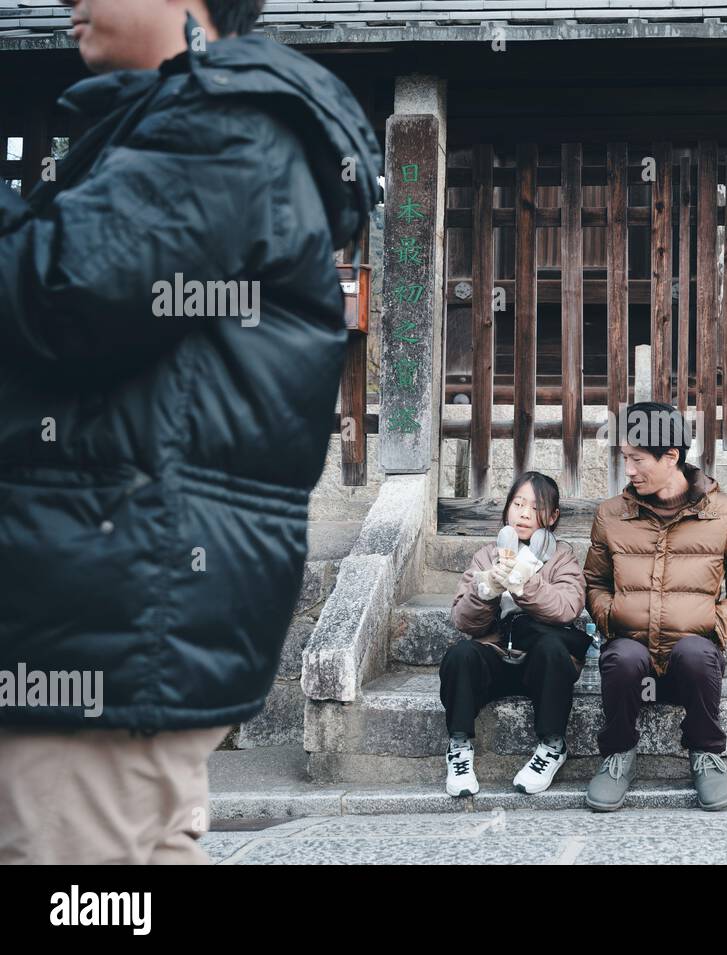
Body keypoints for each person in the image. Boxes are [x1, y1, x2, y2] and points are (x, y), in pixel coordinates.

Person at [0, 0, 381, 863]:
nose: (68, 4)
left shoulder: (220, 123)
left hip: (106, 611)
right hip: (122, 604)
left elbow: (67, 298)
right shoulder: (202, 125)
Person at [583, 402, 727, 812]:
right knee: (621, 658)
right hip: (632, 648)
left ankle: (705, 752)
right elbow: (593, 581)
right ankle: (618, 754)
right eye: (624, 458)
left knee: (697, 653)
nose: (627, 470)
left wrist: (714, 624)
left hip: (691, 655)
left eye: (636, 459)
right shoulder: (611, 515)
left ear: (671, 457)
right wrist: (610, 617)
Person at [443, 471, 591, 796]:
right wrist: (486, 589)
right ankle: (458, 748)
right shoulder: (486, 555)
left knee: (553, 648)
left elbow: (567, 607)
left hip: (540, 665)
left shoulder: (562, 558)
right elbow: (463, 621)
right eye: (518, 503)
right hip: (496, 654)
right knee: (459, 655)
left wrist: (526, 583)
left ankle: (552, 745)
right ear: (508, 508)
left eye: (535, 507)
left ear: (552, 517)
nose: (524, 513)